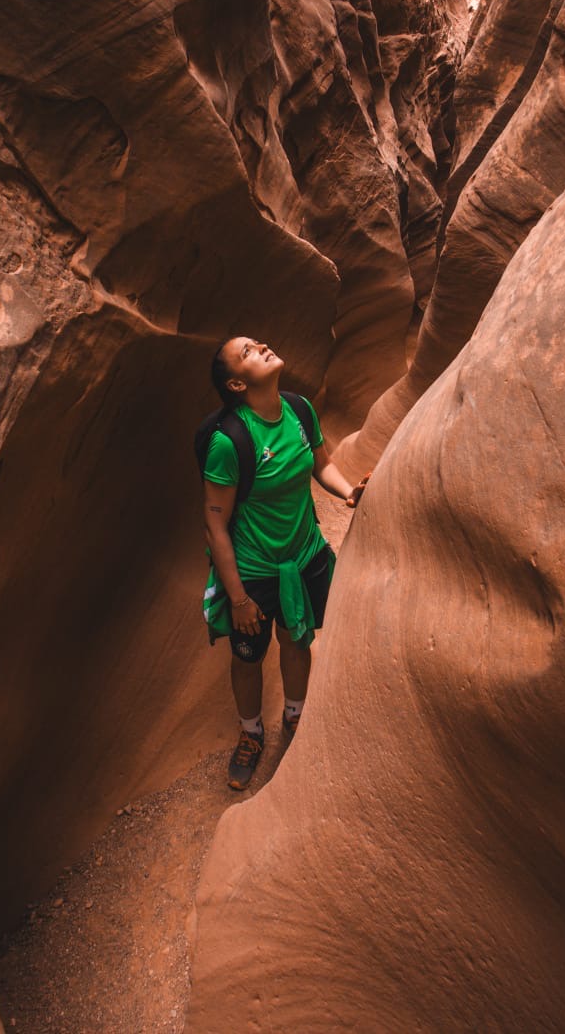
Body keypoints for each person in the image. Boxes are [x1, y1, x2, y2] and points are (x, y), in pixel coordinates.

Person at [202, 336, 368, 790]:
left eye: (257, 342)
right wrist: (238, 598)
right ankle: (251, 733)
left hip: (305, 554)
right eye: (247, 352)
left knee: (297, 639)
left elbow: (321, 464)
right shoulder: (229, 442)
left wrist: (349, 492)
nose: (261, 346)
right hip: (254, 571)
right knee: (248, 657)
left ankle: (295, 717)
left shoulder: (298, 409)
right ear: (237, 384)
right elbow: (215, 526)